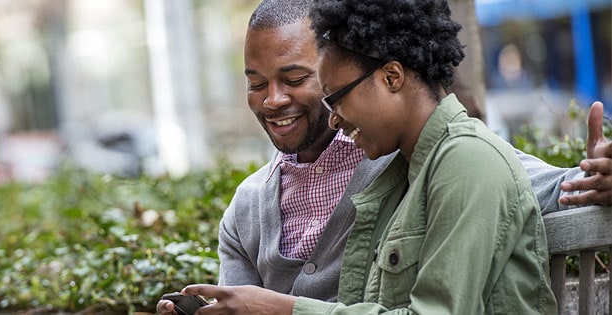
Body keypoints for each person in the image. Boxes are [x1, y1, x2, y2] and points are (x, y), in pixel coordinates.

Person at [157, 0, 611, 313]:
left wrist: (602, 175)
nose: (273, 100)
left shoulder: (412, 155)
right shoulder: (247, 207)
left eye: (295, 78)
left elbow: (536, 184)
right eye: (256, 84)